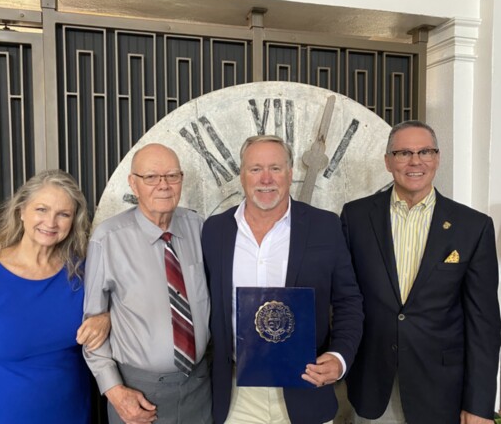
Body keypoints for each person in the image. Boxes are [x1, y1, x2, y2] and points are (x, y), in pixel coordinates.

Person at [341, 120, 501, 424]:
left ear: (437, 158)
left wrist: (479, 404)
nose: (415, 161)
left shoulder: (473, 227)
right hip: (372, 387)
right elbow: (344, 299)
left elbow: (484, 325)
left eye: (425, 152)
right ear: (388, 161)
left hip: (442, 391)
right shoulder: (356, 217)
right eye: (403, 153)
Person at [202, 135, 364, 424]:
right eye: (255, 169)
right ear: (242, 175)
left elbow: (348, 302)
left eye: (276, 168)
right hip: (237, 396)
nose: (266, 179)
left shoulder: (324, 226)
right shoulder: (215, 230)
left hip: (306, 387)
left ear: (290, 174)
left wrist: (340, 357)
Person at [0, 169, 110, 424]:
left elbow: (126, 308)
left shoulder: (82, 272)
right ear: (22, 211)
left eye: (63, 214)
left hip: (71, 412)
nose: (51, 222)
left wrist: (107, 318)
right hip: (0, 412)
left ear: (73, 221)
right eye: (42, 209)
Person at [83, 143, 212, 424]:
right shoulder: (108, 239)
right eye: (151, 177)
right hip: (138, 393)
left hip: (200, 388)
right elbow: (92, 328)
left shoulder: (198, 227)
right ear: (133, 183)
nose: (163, 185)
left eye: (172, 176)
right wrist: (115, 391)